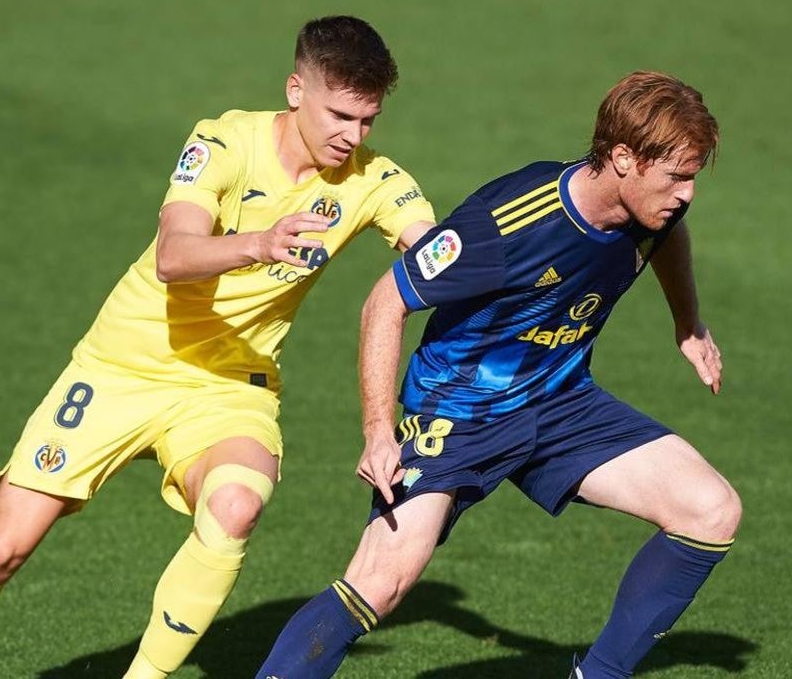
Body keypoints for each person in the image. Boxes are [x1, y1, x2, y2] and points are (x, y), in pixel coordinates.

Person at [0, 15, 435, 679]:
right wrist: (258, 244)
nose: (353, 137)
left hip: (231, 384)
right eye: (341, 115)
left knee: (235, 507)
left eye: (368, 120)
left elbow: (441, 252)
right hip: (126, 363)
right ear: (296, 90)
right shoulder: (224, 141)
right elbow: (174, 256)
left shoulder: (373, 181)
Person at [256, 71, 741, 679]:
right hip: (457, 414)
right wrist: (379, 432)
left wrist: (688, 323)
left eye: (693, 176)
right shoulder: (506, 223)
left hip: (562, 404)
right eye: (676, 176)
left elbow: (667, 233)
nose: (687, 194)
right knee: (380, 583)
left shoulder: (652, 208)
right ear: (623, 158)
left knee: (710, 509)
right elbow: (386, 301)